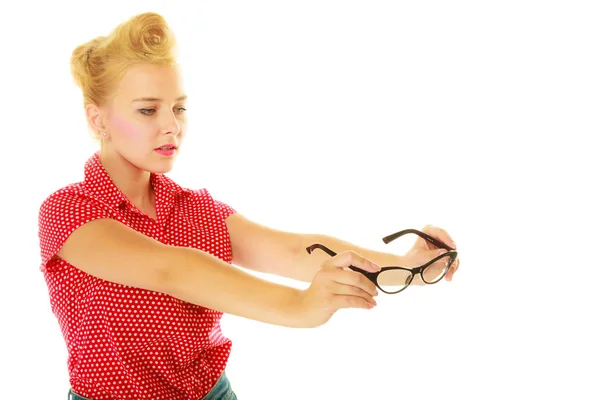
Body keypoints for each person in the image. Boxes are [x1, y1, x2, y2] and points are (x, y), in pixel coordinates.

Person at [37, 11, 460, 400]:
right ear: (98, 120)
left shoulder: (197, 209)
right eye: (148, 110)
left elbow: (299, 250)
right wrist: (299, 306)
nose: (173, 125)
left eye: (179, 108)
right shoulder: (68, 211)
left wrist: (409, 266)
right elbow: (172, 269)